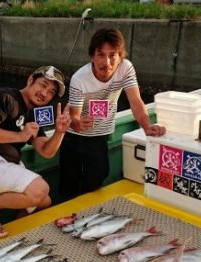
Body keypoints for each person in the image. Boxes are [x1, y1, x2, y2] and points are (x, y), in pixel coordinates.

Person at [59, 28, 166, 199]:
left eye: (112, 55)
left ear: (120, 57)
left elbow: (136, 101)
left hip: (99, 134)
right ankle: (67, 213)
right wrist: (77, 122)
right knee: (68, 183)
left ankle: (83, 209)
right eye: (101, 55)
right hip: (73, 136)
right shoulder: (80, 78)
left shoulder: (126, 69)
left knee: (98, 175)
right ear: (92, 56)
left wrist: (147, 127)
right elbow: (74, 115)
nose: (107, 62)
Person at [0, 65, 71, 239]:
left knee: (44, 202)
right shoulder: (5, 97)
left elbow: (46, 151)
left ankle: (17, 234)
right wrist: (20, 135)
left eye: (51, 91)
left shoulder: (34, 115)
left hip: (7, 167)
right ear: (30, 80)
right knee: (39, 189)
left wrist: (60, 131)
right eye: (43, 85)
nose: (45, 93)